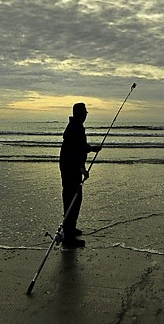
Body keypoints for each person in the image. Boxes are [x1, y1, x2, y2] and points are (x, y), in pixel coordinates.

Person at [58, 102, 100, 248]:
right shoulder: (76, 129)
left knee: (73, 199)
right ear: (80, 114)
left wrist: (92, 148)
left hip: (68, 168)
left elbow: (80, 147)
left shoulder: (75, 128)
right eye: (85, 112)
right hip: (71, 170)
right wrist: (82, 169)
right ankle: (68, 238)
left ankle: (70, 229)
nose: (86, 115)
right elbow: (74, 153)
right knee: (73, 201)